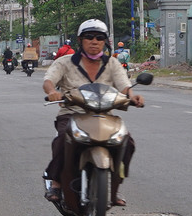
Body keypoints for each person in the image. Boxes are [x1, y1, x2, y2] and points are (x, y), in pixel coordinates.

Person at [41, 19, 144, 206]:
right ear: (80, 40)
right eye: (89, 37)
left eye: (99, 37)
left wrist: (132, 96)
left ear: (105, 41)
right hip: (72, 113)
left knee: (127, 143)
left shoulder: (112, 64)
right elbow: (49, 80)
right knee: (63, 138)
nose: (94, 41)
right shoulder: (64, 62)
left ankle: (115, 185)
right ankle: (55, 182)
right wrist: (52, 92)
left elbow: (124, 86)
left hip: (105, 116)